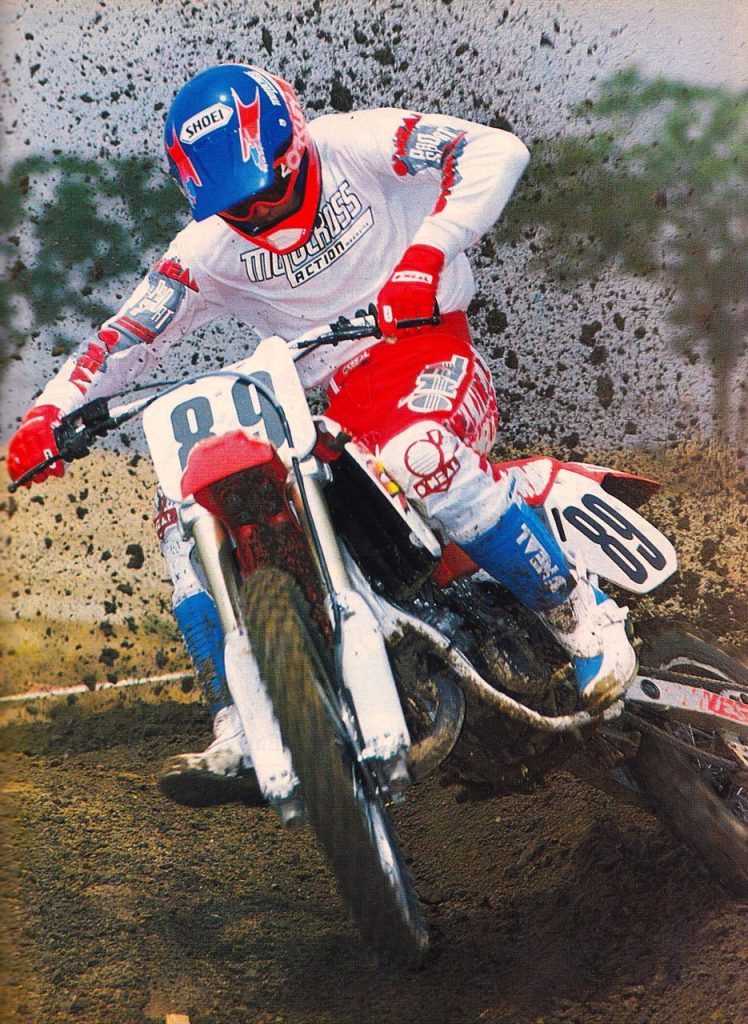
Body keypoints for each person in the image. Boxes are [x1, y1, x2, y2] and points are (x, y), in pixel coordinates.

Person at [8, 64, 637, 807]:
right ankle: (241, 724)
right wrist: (47, 412)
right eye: (237, 206)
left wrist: (427, 254)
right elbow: (128, 334)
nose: (259, 212)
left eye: (268, 189)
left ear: (297, 145)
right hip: (325, 403)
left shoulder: (354, 142)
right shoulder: (204, 250)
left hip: (429, 353)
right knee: (184, 515)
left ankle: (578, 616)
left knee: (418, 454)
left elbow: (497, 150)